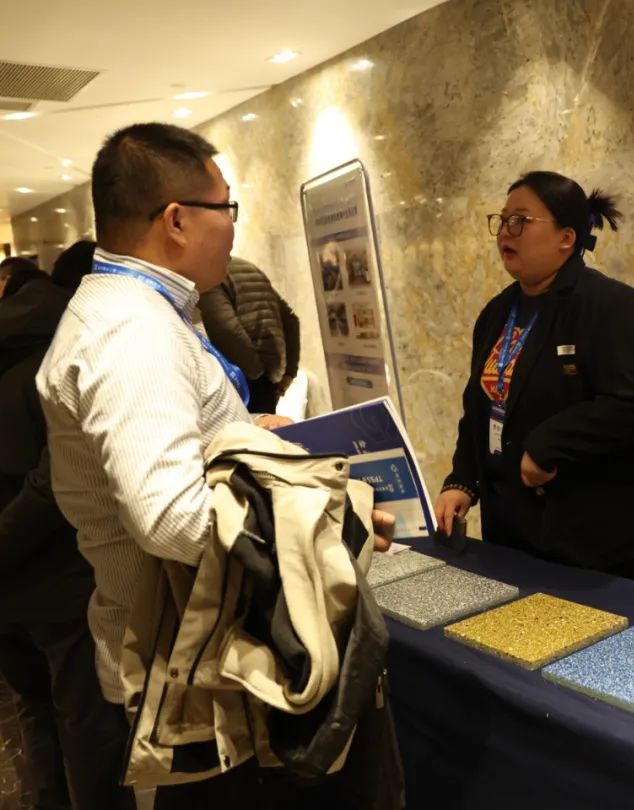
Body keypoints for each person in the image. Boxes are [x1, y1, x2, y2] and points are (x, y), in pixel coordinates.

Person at [36, 123, 394, 806]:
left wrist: (244, 431)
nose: (233, 225)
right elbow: (170, 517)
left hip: (199, 656)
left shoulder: (136, 309)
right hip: (197, 675)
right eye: (226, 207)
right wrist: (326, 519)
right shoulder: (134, 331)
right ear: (176, 220)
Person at [435, 171, 634, 583]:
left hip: (595, 539)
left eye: (520, 221)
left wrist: (547, 445)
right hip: (513, 526)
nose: (505, 232)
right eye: (502, 220)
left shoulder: (615, 307)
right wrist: (462, 480)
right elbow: (480, 405)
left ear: (566, 238)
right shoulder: (496, 313)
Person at [0, 261, 135, 809]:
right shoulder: (65, 353)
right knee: (87, 721)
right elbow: (58, 478)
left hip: (9, 584)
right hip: (63, 571)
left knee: (33, 709)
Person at [197, 256, 301, 414]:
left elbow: (227, 330)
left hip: (245, 379)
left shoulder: (207, 274)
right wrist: (289, 372)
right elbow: (291, 319)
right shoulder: (249, 267)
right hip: (269, 375)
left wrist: (255, 374)